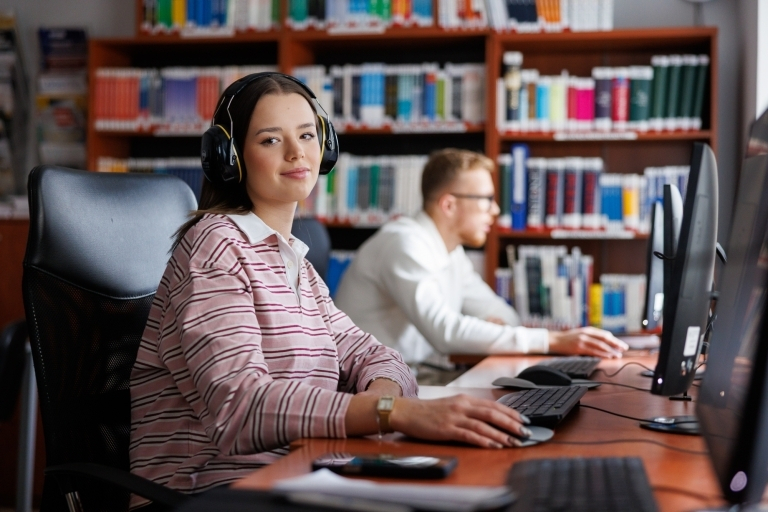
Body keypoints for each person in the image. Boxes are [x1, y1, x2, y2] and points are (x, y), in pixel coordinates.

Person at [129, 75, 532, 509]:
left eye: (307, 134)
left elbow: (380, 358)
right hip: (214, 491)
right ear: (231, 159)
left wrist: (385, 401)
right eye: (269, 140)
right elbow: (239, 406)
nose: (296, 152)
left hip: (305, 473)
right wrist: (390, 413)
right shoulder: (215, 246)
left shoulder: (295, 262)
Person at [334, 148, 628, 372]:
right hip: (374, 388)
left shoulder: (450, 250)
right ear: (449, 204)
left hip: (416, 374)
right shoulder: (404, 244)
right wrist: (551, 341)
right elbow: (446, 333)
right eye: (486, 200)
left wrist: (498, 328)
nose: (496, 209)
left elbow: (504, 315)